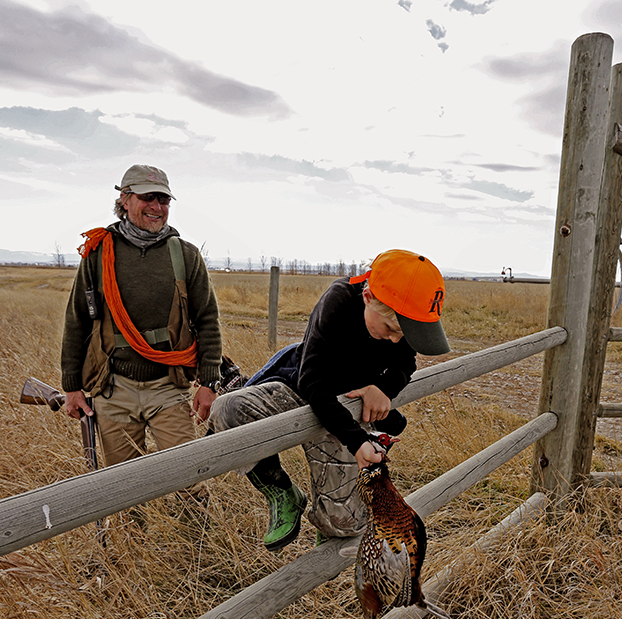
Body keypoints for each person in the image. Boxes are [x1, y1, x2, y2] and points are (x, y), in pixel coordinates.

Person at [209, 248, 449, 552]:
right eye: (390, 329)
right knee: (228, 410)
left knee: (344, 525)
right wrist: (357, 442)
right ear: (368, 298)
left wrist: (383, 389)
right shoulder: (338, 301)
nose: (395, 340)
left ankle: (330, 518)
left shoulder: (398, 333)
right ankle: (282, 492)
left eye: (404, 334)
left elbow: (406, 363)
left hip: (345, 405)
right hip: (305, 390)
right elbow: (311, 380)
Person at [61, 164, 224, 469]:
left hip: (168, 386)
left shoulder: (185, 254)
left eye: (163, 200)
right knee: (123, 489)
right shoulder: (98, 253)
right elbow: (76, 320)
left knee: (189, 477)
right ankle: (129, 520)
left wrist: (209, 382)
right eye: (147, 197)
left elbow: (207, 320)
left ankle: (194, 519)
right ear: (125, 199)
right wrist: (71, 387)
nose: (156, 207)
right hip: (113, 388)